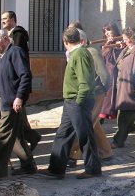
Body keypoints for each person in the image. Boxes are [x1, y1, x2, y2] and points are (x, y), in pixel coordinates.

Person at [41, 27, 101, 179]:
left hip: (77, 101)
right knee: (63, 134)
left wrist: (79, 101)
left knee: (84, 135)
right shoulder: (76, 53)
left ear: (65, 42)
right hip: (71, 101)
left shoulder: (79, 54)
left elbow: (85, 82)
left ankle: (93, 169)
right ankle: (56, 168)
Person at [0, 29, 36, 182]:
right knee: (16, 137)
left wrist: (19, 97)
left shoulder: (15, 52)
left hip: (12, 103)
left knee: (3, 136)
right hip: (4, 101)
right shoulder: (2, 57)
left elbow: (25, 75)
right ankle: (29, 166)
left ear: (5, 39)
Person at [68, 28, 112, 166]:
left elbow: (104, 74)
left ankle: (72, 154)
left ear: (82, 41)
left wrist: (102, 90)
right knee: (94, 124)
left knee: (86, 124)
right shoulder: (79, 53)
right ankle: (106, 152)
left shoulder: (92, 52)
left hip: (96, 92)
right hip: (89, 93)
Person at [1, 11, 41, 151]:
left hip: (17, 83)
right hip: (11, 84)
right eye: (2, 19)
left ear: (13, 20)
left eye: (5, 19)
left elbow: (17, 60)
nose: (3, 21)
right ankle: (30, 138)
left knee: (15, 118)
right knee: (17, 118)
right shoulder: (12, 35)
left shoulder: (18, 36)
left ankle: (24, 143)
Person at [100, 23, 123, 121]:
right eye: (105, 31)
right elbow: (103, 57)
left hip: (119, 74)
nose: (106, 33)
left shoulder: (122, 41)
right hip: (108, 74)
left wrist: (119, 46)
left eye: (108, 30)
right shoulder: (106, 43)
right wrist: (107, 45)